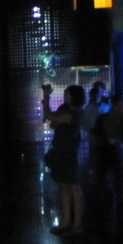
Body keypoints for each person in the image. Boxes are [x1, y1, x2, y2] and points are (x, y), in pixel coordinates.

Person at [42, 83, 86, 235]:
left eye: (67, 93)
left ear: (74, 96)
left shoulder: (75, 113)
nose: (65, 95)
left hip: (68, 154)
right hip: (62, 153)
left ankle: (76, 224)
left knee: (72, 187)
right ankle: (67, 221)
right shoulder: (68, 112)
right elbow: (52, 121)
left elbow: (50, 117)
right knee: (65, 186)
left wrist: (46, 97)